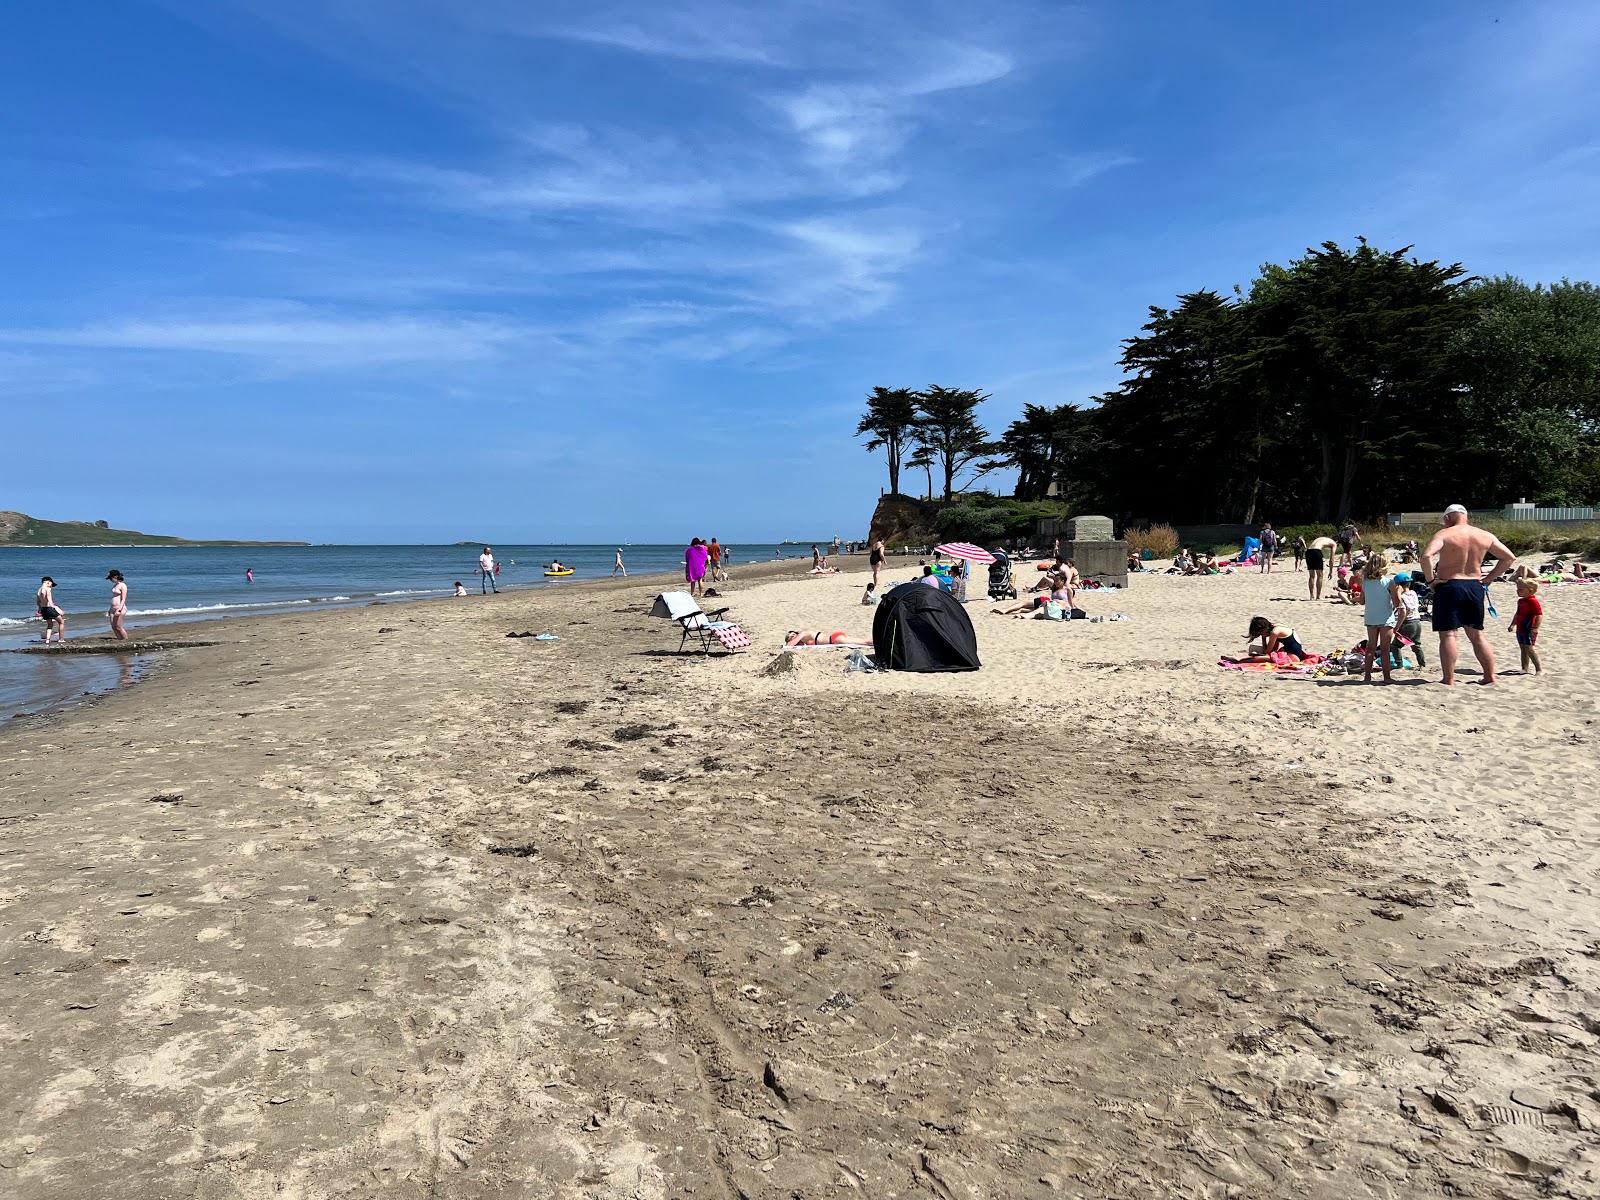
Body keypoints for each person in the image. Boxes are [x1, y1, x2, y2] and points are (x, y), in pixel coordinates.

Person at [1420, 504, 1517, 686]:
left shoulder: (1445, 534)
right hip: (1474, 585)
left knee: (1449, 635)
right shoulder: (1484, 535)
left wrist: (1430, 580)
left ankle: (1448, 679)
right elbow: (1508, 558)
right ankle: (1489, 676)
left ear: (1448, 519)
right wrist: (1488, 579)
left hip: (1450, 585)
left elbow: (1426, 556)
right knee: (1477, 635)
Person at [1359, 551, 1404, 684]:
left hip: (1371, 618)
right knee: (1385, 649)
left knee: (1370, 648)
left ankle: (1367, 676)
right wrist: (1398, 592)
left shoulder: (1366, 582)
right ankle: (1386, 677)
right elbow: (1397, 603)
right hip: (1385, 618)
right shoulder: (1389, 582)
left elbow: (1362, 601)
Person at [1220, 617, 1308, 663]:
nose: (1261, 635)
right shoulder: (1276, 626)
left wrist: (1263, 638)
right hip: (1290, 652)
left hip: (1293, 657)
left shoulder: (1274, 632)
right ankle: (1238, 657)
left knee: (1257, 658)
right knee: (1257, 655)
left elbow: (1267, 651)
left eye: (1261, 634)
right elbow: (1274, 649)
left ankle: (1238, 660)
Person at [1509, 578, 1543, 676]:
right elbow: (1517, 614)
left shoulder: (1533, 601)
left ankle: (1539, 669)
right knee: (1523, 648)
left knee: (1530, 648)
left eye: (1520, 589)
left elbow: (1539, 614)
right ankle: (1525, 668)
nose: (1517, 591)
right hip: (1520, 628)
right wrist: (1512, 624)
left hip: (1529, 628)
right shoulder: (1520, 601)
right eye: (1517, 589)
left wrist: (1536, 628)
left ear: (1530, 590)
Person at [1396, 579, 1426, 668]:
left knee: (1395, 645)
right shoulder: (1413, 593)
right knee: (1416, 644)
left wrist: (1397, 627)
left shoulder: (1401, 597)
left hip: (1407, 623)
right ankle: (1422, 664)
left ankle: (1399, 665)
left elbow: (1403, 613)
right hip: (1417, 622)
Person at [36, 576, 65, 645]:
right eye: (51, 584)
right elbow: (49, 598)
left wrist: (39, 609)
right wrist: (53, 606)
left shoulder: (39, 590)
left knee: (50, 625)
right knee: (61, 622)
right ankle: (61, 639)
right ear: (48, 582)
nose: (51, 586)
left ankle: (47, 640)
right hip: (49, 608)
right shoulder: (48, 589)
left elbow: (38, 602)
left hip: (43, 609)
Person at [784, 629, 874, 647]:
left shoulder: (803, 633)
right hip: (835, 637)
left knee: (865, 643)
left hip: (834, 640)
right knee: (864, 641)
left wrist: (792, 641)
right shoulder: (804, 637)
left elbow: (789, 645)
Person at [106, 569, 128, 640]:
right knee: (113, 627)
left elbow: (123, 599)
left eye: (111, 578)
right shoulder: (115, 585)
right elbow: (114, 597)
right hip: (113, 608)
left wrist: (119, 609)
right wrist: (110, 609)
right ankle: (119, 639)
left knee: (119, 627)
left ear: (115, 577)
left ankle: (125, 640)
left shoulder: (123, 585)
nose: (110, 580)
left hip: (120, 608)